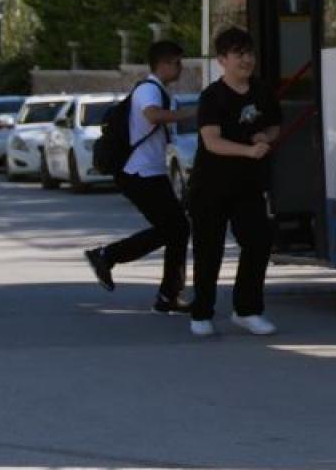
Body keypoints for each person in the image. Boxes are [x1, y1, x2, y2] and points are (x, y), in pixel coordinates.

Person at [84, 40, 197, 314]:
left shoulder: (155, 89)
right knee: (176, 228)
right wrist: (190, 113)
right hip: (139, 172)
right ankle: (109, 257)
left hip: (149, 171)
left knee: (176, 229)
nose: (181, 68)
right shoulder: (148, 89)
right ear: (164, 64)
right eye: (177, 63)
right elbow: (152, 115)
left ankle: (167, 294)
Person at [188, 27, 284, 337]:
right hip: (210, 186)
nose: (246, 60)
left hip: (248, 186)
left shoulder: (262, 91)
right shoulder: (212, 96)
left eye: (249, 53)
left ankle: (247, 310)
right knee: (209, 250)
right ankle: (201, 313)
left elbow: (274, 127)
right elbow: (212, 141)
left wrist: (264, 136)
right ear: (222, 60)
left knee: (258, 241)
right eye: (238, 54)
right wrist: (247, 150)